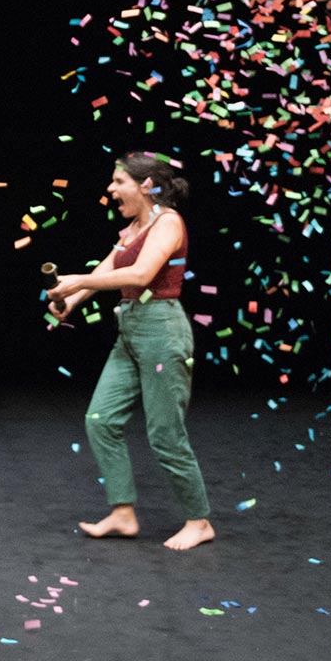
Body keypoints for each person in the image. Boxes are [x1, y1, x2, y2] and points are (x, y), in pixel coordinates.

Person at [44, 151, 215, 551]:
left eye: (118, 182)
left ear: (146, 186)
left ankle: (199, 520)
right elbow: (106, 272)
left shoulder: (168, 222)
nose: (111, 189)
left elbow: (141, 274)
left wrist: (75, 281)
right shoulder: (132, 229)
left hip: (162, 331)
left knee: (164, 433)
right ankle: (123, 513)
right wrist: (70, 301)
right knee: (101, 420)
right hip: (131, 333)